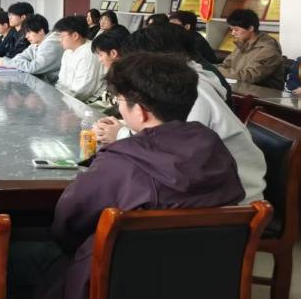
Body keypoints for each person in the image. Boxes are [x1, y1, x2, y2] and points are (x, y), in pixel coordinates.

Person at [47, 53, 245, 299]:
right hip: (202, 280)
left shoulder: (121, 161)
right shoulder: (216, 150)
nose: (119, 106)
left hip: (115, 282)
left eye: (119, 100)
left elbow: (69, 224)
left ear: (140, 112)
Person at [94, 24, 265, 205]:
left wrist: (121, 135)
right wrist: (124, 127)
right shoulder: (185, 83)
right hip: (204, 190)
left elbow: (176, 154)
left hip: (232, 204)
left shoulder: (194, 93)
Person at [219, 9, 284, 90]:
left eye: (236, 30)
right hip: (241, 88)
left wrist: (218, 71)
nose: (232, 33)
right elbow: (226, 65)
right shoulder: (242, 43)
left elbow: (250, 76)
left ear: (250, 28)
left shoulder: (269, 49)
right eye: (231, 30)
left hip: (264, 94)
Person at [0, 15, 63, 83]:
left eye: (29, 32)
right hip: (44, 83)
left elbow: (33, 68)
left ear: (41, 31)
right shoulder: (37, 42)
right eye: (25, 33)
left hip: (54, 87)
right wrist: (17, 63)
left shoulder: (51, 44)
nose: (26, 36)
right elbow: (19, 58)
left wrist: (5, 62)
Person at [53, 16, 104, 103]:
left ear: (75, 36)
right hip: (68, 98)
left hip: (87, 103)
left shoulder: (88, 53)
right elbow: (61, 81)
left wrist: (59, 100)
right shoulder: (68, 52)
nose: (59, 40)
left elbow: (82, 91)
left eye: (62, 36)